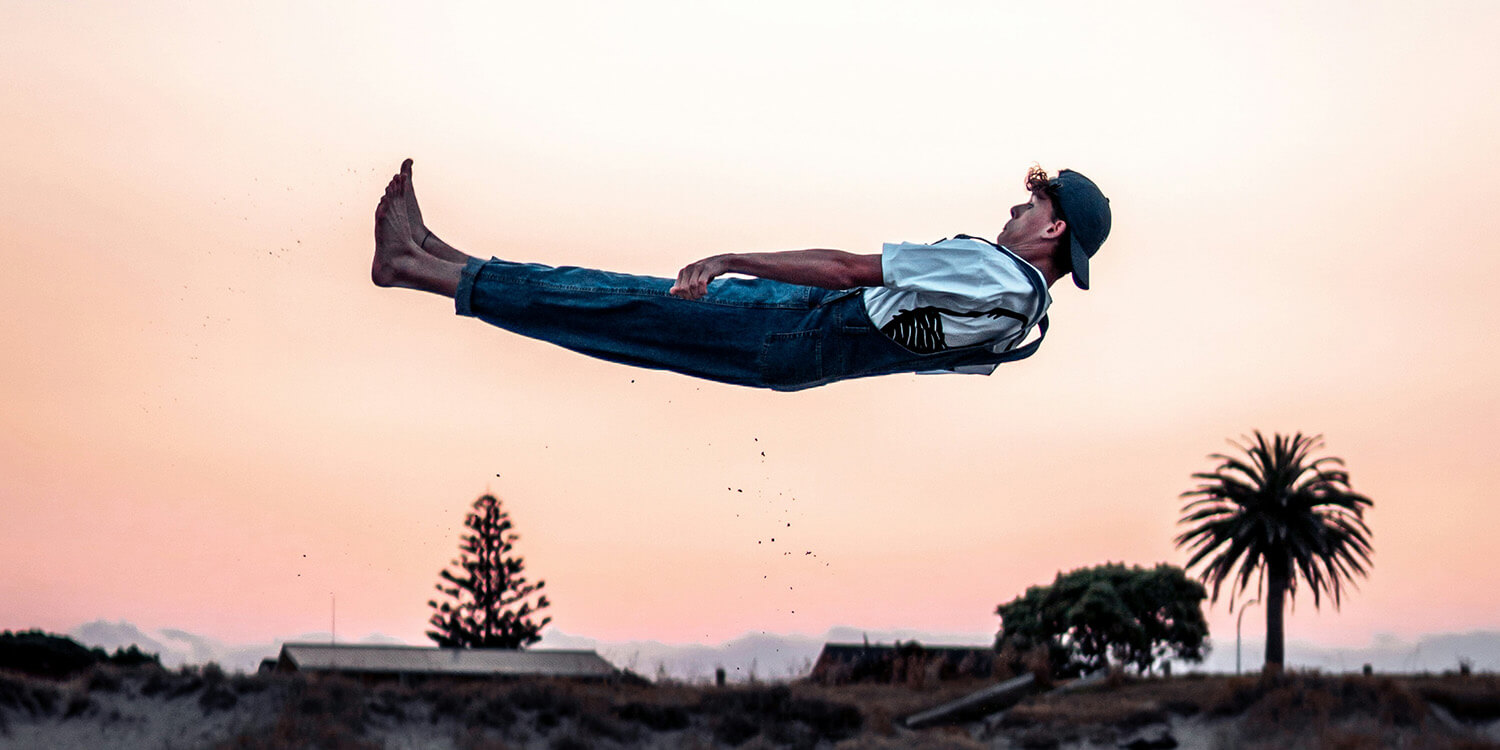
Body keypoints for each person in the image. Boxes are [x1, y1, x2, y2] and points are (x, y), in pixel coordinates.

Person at [372, 159, 1110, 391]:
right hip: (802, 352)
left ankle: (418, 264)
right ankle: (435, 258)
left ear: (1053, 229)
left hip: (796, 320)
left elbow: (850, 268)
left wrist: (730, 259)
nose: (1014, 208)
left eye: (1031, 203)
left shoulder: (992, 267)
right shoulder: (1022, 326)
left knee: (609, 302)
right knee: (611, 316)